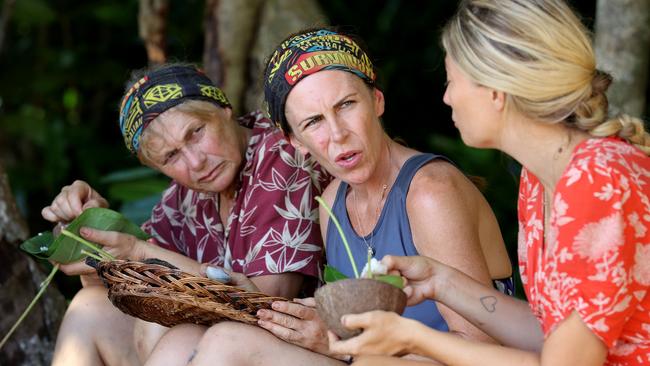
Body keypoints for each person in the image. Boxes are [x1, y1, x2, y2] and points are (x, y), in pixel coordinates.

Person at [147, 28, 513, 365]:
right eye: (313, 122)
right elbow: (356, 331)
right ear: (296, 142)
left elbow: (482, 352)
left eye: (346, 105)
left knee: (229, 345)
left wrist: (343, 346)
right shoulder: (334, 201)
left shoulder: (430, 193)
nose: (337, 135)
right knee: (198, 340)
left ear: (377, 101)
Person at [327, 1, 650, 365]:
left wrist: (414, 337)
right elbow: (549, 333)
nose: (446, 97)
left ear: (496, 90)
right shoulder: (538, 181)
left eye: (451, 81)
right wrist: (441, 281)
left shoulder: (596, 181)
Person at [41, 64, 330, 366]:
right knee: (90, 308)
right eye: (171, 156)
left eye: (196, 132)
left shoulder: (283, 157)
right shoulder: (183, 198)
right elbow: (126, 294)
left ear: (223, 108)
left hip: (290, 347)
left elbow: (263, 305)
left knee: (182, 336)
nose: (196, 162)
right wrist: (85, 231)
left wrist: (137, 250)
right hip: (214, 348)